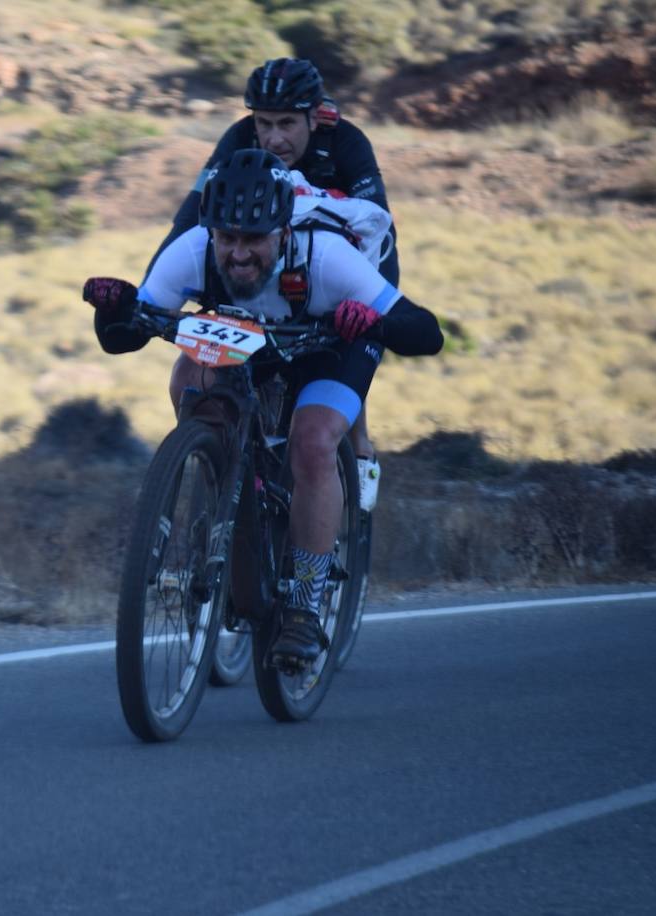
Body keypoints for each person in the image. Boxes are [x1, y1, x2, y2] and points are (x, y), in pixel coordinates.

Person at [82, 149, 442, 666]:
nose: (239, 254)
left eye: (254, 239)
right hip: (245, 340)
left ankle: (303, 606)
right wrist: (115, 309)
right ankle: (223, 482)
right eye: (228, 238)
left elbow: (426, 333)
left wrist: (372, 322)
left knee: (314, 443)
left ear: (283, 231)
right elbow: (124, 338)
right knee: (188, 380)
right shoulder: (193, 250)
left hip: (327, 345)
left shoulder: (327, 259)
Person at [148, 57, 394, 509]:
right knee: (196, 372)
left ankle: (359, 445)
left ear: (314, 116)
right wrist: (155, 296)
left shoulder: (346, 142)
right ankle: (226, 458)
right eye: (264, 123)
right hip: (263, 262)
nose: (273, 137)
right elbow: (190, 220)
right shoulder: (239, 140)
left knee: (342, 349)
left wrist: (360, 316)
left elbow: (377, 228)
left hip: (350, 260)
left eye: (286, 123)